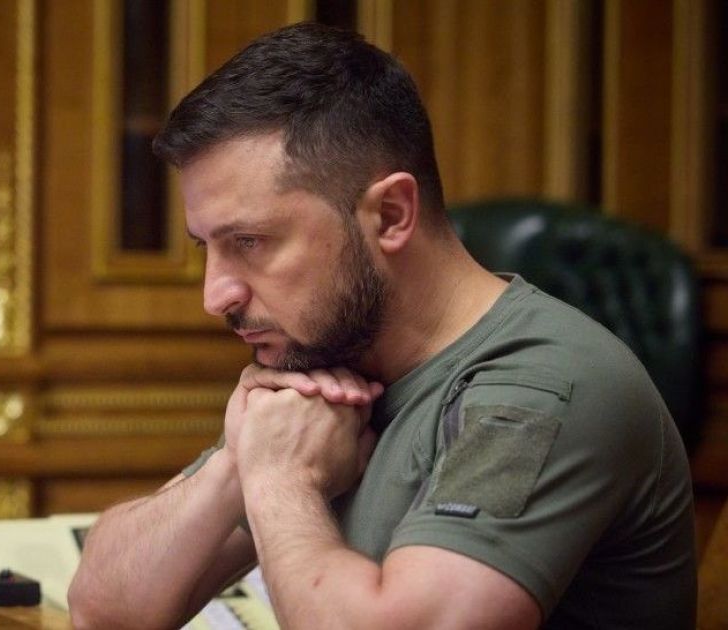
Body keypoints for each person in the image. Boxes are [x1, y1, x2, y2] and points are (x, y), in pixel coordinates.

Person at [67, 22, 696, 629]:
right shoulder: (329, 366)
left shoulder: (543, 385)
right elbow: (103, 611)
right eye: (208, 247)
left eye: (250, 241)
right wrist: (240, 463)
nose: (215, 296)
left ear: (390, 215)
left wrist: (281, 480)